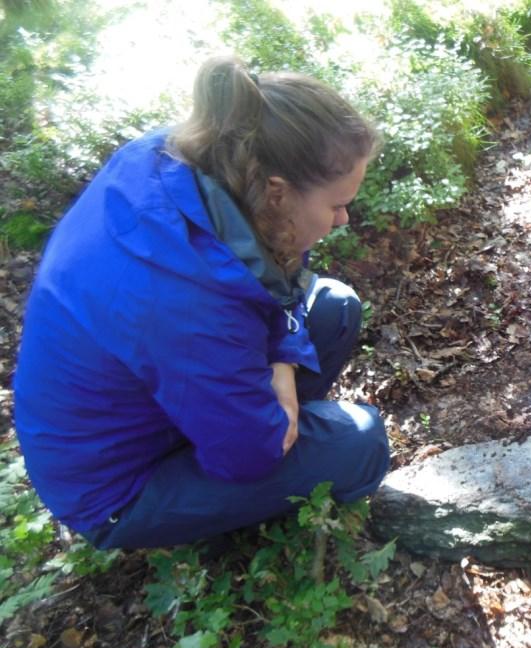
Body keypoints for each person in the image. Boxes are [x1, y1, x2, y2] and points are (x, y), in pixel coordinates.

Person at [13, 57, 391, 550]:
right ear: (277, 192)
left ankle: (273, 446)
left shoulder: (194, 164)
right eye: (337, 203)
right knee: (359, 443)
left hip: (157, 390)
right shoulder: (184, 301)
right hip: (117, 490)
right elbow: (250, 456)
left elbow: (277, 283)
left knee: (335, 307)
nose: (344, 219)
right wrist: (276, 416)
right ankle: (271, 473)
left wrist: (281, 364)